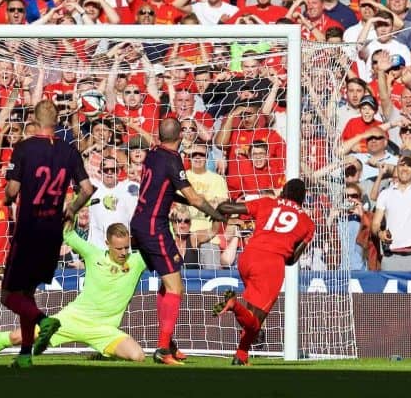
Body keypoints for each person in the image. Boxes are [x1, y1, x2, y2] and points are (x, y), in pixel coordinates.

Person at [0, 223, 146, 363]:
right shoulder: (93, 254)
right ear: (108, 243)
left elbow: (162, 243)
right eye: (119, 248)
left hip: (105, 329)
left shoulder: (137, 261)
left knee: (138, 356)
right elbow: (67, 231)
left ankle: (104, 355)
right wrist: (80, 201)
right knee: (16, 336)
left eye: (126, 247)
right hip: (71, 320)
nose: (124, 252)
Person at [1, 99, 94, 368]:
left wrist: (6, 197)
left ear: (33, 118)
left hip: (29, 230)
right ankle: (25, 355)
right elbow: (87, 189)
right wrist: (71, 209)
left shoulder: (23, 148)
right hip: (53, 232)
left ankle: (44, 320)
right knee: (27, 293)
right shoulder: (69, 151)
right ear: (56, 121)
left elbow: (12, 191)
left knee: (9, 295)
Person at [130, 117, 225, 365]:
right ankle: (162, 349)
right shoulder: (173, 160)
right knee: (176, 288)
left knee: (167, 282)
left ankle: (168, 343)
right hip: (154, 226)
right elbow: (193, 198)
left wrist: (199, 204)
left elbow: (167, 190)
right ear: (180, 136)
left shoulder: (152, 154)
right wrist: (218, 215)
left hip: (140, 222)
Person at [214, 178, 315, 365]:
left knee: (251, 315)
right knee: (255, 321)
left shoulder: (267, 202)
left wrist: (219, 208)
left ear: (283, 191)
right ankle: (234, 305)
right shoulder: (308, 224)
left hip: (247, 257)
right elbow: (292, 261)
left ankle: (241, 356)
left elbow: (230, 208)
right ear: (303, 197)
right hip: (270, 264)